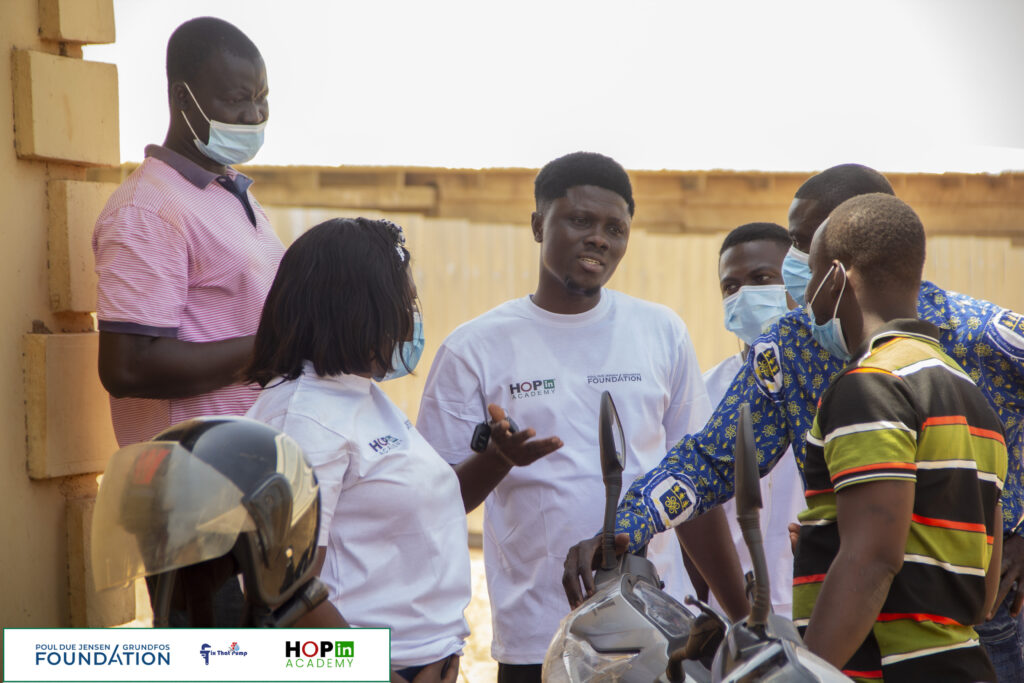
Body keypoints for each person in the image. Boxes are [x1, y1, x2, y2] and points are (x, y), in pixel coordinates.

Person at [563, 163, 1024, 681]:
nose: (792, 262)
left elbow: (872, 556)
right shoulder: (791, 347)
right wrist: (625, 527)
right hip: (861, 619)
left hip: (961, 625)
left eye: (805, 243)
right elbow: (711, 459)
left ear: (845, 252)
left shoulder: (970, 339)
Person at [417, 151, 747, 683]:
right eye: (580, 221)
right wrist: (497, 461)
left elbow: (697, 489)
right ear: (537, 224)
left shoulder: (660, 332)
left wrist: (744, 619)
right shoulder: (475, 348)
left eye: (615, 228)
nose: (599, 238)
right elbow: (428, 506)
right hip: (539, 640)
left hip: (658, 634)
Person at [244, 218, 561, 683]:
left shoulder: (357, 395)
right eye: (402, 302)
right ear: (353, 308)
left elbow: (428, 503)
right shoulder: (303, 417)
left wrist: (498, 458)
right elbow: (283, 590)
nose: (409, 319)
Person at [794, 193, 1004, 680]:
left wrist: (803, 674)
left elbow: (870, 560)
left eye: (810, 278)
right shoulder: (970, 396)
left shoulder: (870, 385)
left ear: (835, 278)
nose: (805, 297)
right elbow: (984, 591)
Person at [93, 17, 282, 447]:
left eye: (261, 99)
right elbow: (129, 368)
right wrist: (279, 344)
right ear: (183, 97)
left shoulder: (234, 192)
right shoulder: (147, 210)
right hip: (189, 484)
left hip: (246, 473)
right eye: (237, 99)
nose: (253, 116)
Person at [700, 222, 804, 619]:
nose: (744, 296)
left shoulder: (833, 382)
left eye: (761, 279)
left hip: (824, 611)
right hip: (732, 615)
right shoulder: (706, 394)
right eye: (731, 287)